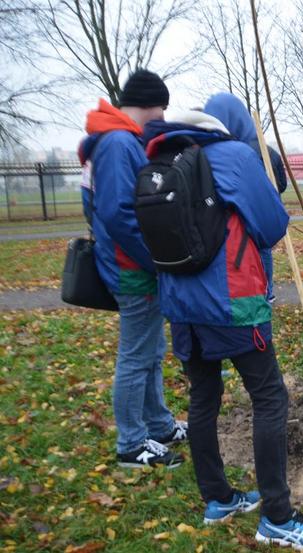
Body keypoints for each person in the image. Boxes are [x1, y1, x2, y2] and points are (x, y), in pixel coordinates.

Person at [142, 93, 303, 548]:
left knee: (203, 395)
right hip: (231, 303)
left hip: (179, 304)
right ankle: (278, 516)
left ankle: (218, 497)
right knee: (269, 398)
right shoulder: (232, 156)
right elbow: (272, 224)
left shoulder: (163, 155)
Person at [78, 69, 187, 469]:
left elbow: (97, 208)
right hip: (131, 268)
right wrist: (155, 259)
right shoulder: (119, 142)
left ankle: (158, 424)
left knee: (151, 351)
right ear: (150, 104)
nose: (161, 116)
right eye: (161, 108)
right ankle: (131, 442)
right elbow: (119, 213)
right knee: (137, 355)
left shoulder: (112, 138)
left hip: (130, 265)